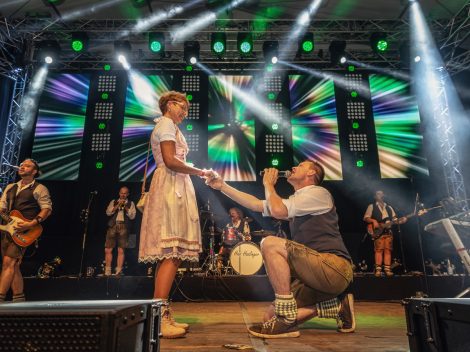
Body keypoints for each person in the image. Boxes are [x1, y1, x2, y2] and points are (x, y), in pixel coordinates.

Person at [208, 160, 355, 338]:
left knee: (269, 243)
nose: (293, 167)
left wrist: (268, 184)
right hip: (313, 276)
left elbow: (278, 210)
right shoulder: (297, 201)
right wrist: (222, 186)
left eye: (300, 166)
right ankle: (336, 306)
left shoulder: (319, 193)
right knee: (269, 317)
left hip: (334, 269)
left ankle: (286, 318)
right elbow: (256, 204)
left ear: (311, 174)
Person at [138, 91, 214, 338]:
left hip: (176, 184)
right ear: (170, 105)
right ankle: (159, 318)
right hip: (171, 185)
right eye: (183, 107)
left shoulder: (170, 125)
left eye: (187, 109)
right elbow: (170, 161)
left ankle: (160, 314)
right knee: (171, 253)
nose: (185, 112)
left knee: (172, 255)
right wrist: (200, 172)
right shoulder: (167, 123)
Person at [0, 159, 52, 303]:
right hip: (7, 230)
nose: (22, 166)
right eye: (21, 165)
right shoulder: (11, 187)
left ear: (34, 171)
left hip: (24, 231)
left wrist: (30, 224)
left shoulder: (40, 188)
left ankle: (0, 297)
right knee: (13, 265)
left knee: (8, 262)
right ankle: (18, 298)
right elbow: (2, 208)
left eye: (27, 165)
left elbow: (46, 209)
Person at [363, 190, 407, 277]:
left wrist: (401, 221)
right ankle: (378, 270)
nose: (381, 195)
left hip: (388, 231)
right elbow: (366, 218)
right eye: (379, 194)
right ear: (375, 196)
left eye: (382, 194)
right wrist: (373, 220)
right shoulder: (371, 206)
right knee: (379, 250)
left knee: (388, 250)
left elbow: (394, 220)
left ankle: (387, 269)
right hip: (378, 231)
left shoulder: (389, 207)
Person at [104, 186, 136, 276]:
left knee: (121, 249)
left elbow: (132, 216)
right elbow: (108, 212)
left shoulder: (131, 203)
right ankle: (107, 270)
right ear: (119, 193)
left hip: (124, 226)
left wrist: (125, 206)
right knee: (108, 249)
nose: (123, 194)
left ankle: (118, 270)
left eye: (125, 193)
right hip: (113, 225)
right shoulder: (114, 201)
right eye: (122, 193)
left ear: (128, 194)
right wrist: (117, 205)